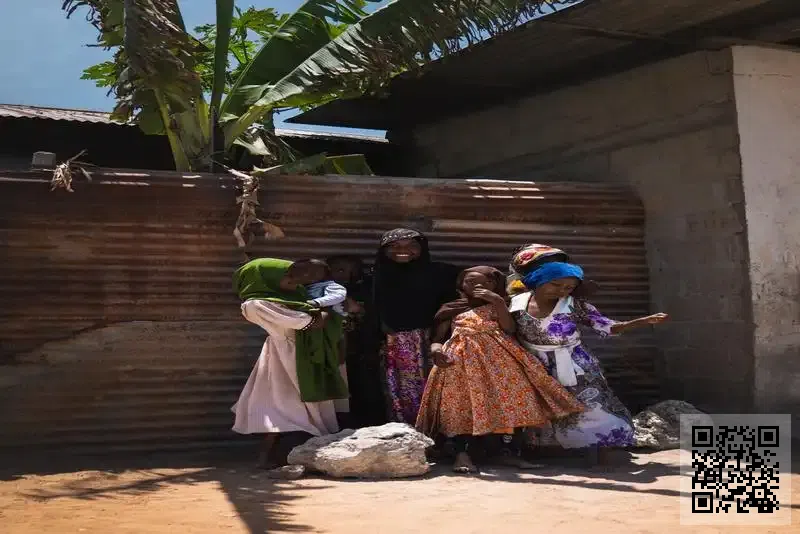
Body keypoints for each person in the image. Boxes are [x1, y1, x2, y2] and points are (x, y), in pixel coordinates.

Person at [415, 266, 585, 474]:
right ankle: (462, 454)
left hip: (502, 364)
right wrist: (437, 351)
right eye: (471, 281)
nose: (478, 286)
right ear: (461, 285)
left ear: (496, 285)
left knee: (514, 401)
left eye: (486, 282)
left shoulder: (504, 304)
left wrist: (497, 301)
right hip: (460, 365)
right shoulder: (452, 308)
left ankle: (509, 453)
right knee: (461, 405)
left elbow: (509, 329)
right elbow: (438, 339)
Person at [510, 260, 668, 466]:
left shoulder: (575, 305)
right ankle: (551, 449)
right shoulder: (516, 303)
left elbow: (606, 326)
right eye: (556, 285)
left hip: (577, 363)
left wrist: (640, 322)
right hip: (535, 364)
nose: (562, 291)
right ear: (539, 280)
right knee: (547, 407)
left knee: (594, 405)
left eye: (568, 288)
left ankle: (603, 450)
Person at [231, 258, 348, 469]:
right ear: (266, 280)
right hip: (285, 359)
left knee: (303, 406)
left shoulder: (293, 297)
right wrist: (322, 314)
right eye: (289, 277)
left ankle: (302, 456)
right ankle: (270, 457)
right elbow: (310, 322)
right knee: (282, 406)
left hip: (304, 355)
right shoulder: (256, 304)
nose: (298, 281)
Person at [373, 228, 460, 425]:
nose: (403, 250)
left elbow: (454, 304)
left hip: (434, 339)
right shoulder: (377, 276)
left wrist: (440, 337)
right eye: (394, 246)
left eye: (411, 245)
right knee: (399, 388)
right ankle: (408, 428)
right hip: (393, 343)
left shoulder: (442, 273)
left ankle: (440, 429)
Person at [327, 255, 386, 428]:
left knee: (366, 387)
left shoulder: (367, 290)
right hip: (334, 350)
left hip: (364, 349)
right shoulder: (323, 292)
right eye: (339, 270)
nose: (346, 275)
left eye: (353, 271)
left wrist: (359, 309)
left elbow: (376, 317)